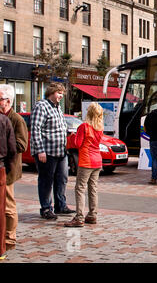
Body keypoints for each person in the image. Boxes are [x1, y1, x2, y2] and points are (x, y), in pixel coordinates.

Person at [31, 82, 75, 220]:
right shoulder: (41, 106)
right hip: (47, 151)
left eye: (62, 93)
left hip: (60, 151)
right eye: (59, 93)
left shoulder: (57, 108)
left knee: (62, 178)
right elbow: (35, 129)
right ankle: (46, 208)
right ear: (51, 92)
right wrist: (40, 150)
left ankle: (60, 205)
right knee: (46, 180)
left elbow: (59, 128)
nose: (61, 96)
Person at [65, 103, 104, 227]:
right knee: (93, 188)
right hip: (97, 160)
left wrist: (71, 137)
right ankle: (92, 214)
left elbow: (77, 143)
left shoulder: (84, 126)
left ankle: (79, 217)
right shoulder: (99, 127)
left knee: (80, 188)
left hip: (86, 160)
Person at [0, 85, 28, 252]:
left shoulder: (16, 119)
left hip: (10, 167)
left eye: (0, 99)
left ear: (8, 101)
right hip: (3, 166)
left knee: (9, 205)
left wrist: (5, 143)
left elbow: (22, 145)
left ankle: (10, 239)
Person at [0, 112, 16, 261]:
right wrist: (8, 167)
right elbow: (12, 149)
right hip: (0, 167)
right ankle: (1, 250)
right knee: (1, 211)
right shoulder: (4, 120)